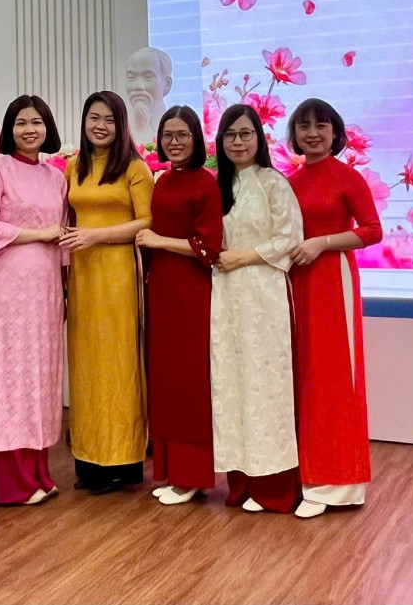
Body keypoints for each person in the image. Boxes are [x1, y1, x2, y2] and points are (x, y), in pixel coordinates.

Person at [0, 95, 69, 506]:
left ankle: (39, 472)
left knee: (41, 376)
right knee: (11, 376)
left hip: (47, 286)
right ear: (9, 129)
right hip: (9, 286)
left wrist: (65, 284)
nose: (30, 130)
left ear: (48, 128)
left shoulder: (56, 177)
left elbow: (64, 236)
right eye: (22, 123)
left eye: (37, 122)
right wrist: (40, 235)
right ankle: (13, 482)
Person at [285, 99, 384, 518]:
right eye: (304, 126)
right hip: (296, 282)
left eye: (321, 126)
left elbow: (373, 231)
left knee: (334, 376)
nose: (312, 133)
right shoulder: (289, 182)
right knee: (303, 376)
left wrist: (321, 243)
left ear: (335, 132)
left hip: (333, 281)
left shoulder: (347, 177)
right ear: (294, 134)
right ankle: (307, 477)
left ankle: (338, 484)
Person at [209, 103, 304, 514]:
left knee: (267, 384)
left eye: (245, 133)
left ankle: (274, 488)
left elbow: (289, 238)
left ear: (259, 138)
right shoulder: (218, 186)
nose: (237, 142)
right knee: (231, 383)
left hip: (263, 293)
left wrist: (243, 257)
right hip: (226, 296)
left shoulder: (272, 183)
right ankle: (240, 482)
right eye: (230, 135)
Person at [61, 91, 153, 494]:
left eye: (109, 120)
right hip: (82, 276)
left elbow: (147, 221)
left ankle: (122, 460)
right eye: (93, 118)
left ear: (121, 125)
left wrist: (96, 235)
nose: (100, 126)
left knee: (118, 362)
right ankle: (89, 459)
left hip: (117, 274)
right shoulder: (73, 167)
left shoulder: (135, 168)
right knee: (86, 364)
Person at [134, 105, 223, 506]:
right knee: (165, 379)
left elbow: (209, 246)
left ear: (196, 138)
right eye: (168, 134)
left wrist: (159, 242)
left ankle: (192, 475)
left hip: (191, 291)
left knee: (189, 381)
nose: (174, 141)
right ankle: (171, 471)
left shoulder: (206, 184)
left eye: (182, 134)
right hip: (161, 290)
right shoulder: (163, 180)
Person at [124, 46, 173, 147]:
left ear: (167, 84)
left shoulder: (177, 129)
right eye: (131, 77)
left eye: (147, 77)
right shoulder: (118, 131)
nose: (138, 86)